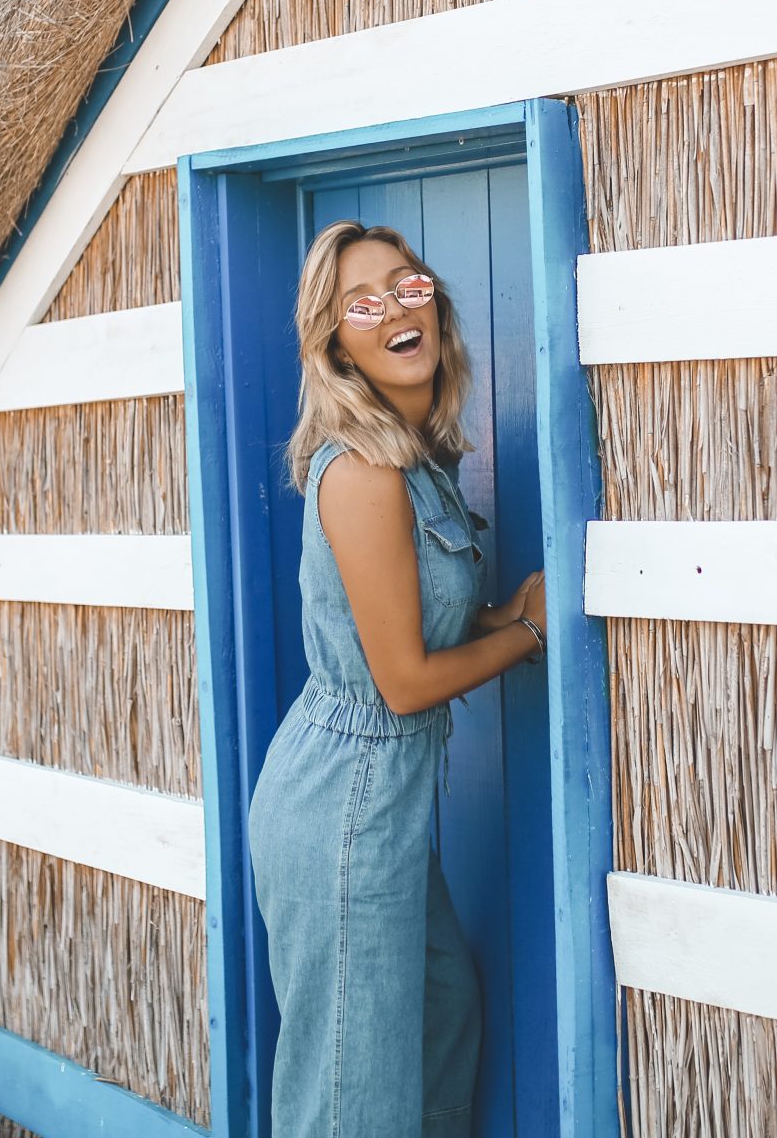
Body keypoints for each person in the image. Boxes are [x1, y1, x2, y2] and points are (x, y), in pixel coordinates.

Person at [247, 219, 550, 1138]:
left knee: (442, 1015)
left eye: (407, 284)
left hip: (377, 804)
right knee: (350, 1088)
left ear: (436, 303)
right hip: (340, 805)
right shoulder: (364, 473)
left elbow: (425, 623)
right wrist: (530, 628)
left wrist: (498, 618)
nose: (393, 309)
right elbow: (407, 680)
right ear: (336, 342)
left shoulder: (419, 464)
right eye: (361, 303)